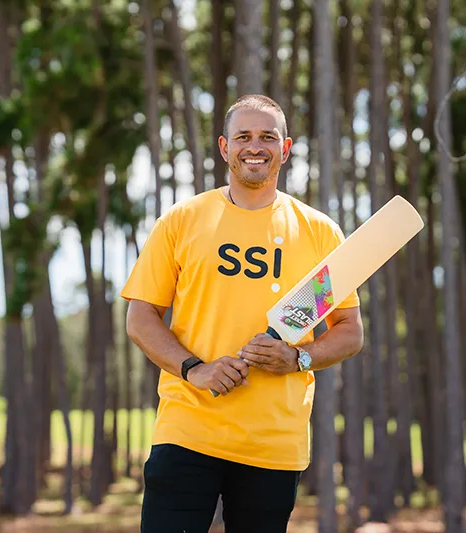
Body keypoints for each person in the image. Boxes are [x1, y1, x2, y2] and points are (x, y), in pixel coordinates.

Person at [121, 94, 364, 533]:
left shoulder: (318, 232)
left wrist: (298, 358)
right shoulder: (182, 220)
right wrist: (195, 370)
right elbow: (141, 318)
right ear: (224, 147)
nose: (256, 146)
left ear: (285, 149)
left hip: (272, 443)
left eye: (268, 137)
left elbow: (349, 331)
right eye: (244, 137)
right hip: (188, 430)